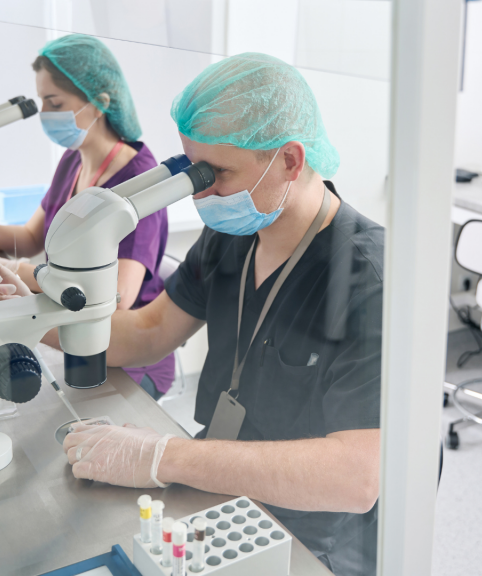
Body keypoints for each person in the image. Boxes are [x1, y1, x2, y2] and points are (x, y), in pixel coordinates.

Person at [56, 53, 384, 576]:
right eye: (192, 171)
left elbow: (356, 476)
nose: (200, 192)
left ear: (291, 162)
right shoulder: (231, 239)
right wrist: (32, 314)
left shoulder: (370, 279)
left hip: (312, 538)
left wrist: (162, 457)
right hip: (218, 493)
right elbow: (148, 331)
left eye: (217, 173)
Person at [0, 34, 175, 400]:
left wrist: (22, 277)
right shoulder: (73, 161)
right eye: (42, 102)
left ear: (99, 102)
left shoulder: (138, 182)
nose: (45, 114)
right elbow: (33, 238)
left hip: (123, 355)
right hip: (74, 336)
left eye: (54, 102)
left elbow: (116, 299)